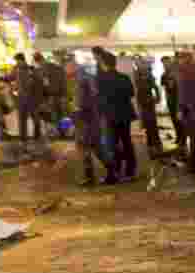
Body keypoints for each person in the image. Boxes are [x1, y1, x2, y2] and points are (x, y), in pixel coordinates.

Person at [65, 58, 115, 186]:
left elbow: (80, 104)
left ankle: (91, 177)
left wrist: (75, 119)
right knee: (96, 149)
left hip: (85, 122)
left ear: (73, 67)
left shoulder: (80, 82)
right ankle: (110, 172)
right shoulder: (87, 78)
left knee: (85, 149)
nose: (66, 70)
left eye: (67, 67)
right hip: (92, 120)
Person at [96, 50, 138, 180]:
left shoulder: (100, 79)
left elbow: (97, 98)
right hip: (125, 114)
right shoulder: (124, 77)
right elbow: (131, 94)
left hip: (109, 115)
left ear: (103, 64)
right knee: (127, 142)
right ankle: (130, 171)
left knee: (111, 145)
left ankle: (115, 172)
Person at [2, 53, 44, 142]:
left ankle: (24, 139)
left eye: (17, 61)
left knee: (23, 119)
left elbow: (8, 78)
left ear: (20, 60)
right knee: (33, 118)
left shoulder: (18, 69)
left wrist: (2, 78)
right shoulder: (30, 69)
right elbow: (40, 82)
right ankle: (36, 137)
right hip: (30, 98)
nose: (16, 63)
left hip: (23, 99)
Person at [133, 55, 162, 154]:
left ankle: (156, 143)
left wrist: (158, 97)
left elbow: (155, 86)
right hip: (141, 101)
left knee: (152, 122)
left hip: (149, 100)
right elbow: (135, 88)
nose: (138, 63)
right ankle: (150, 143)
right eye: (136, 62)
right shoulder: (135, 74)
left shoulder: (148, 73)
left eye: (140, 62)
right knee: (146, 123)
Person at [35, 53, 66, 135]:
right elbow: (62, 80)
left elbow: (45, 83)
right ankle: (61, 132)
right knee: (58, 114)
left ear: (40, 60)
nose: (39, 63)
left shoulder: (44, 69)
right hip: (56, 94)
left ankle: (58, 131)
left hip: (52, 94)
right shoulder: (54, 67)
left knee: (54, 114)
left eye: (38, 61)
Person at [160, 56, 185, 154]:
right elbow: (165, 88)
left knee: (180, 120)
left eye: (166, 62)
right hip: (170, 100)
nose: (165, 65)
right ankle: (179, 137)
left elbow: (180, 88)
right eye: (163, 63)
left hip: (178, 100)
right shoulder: (164, 75)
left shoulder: (177, 73)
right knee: (174, 120)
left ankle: (183, 139)